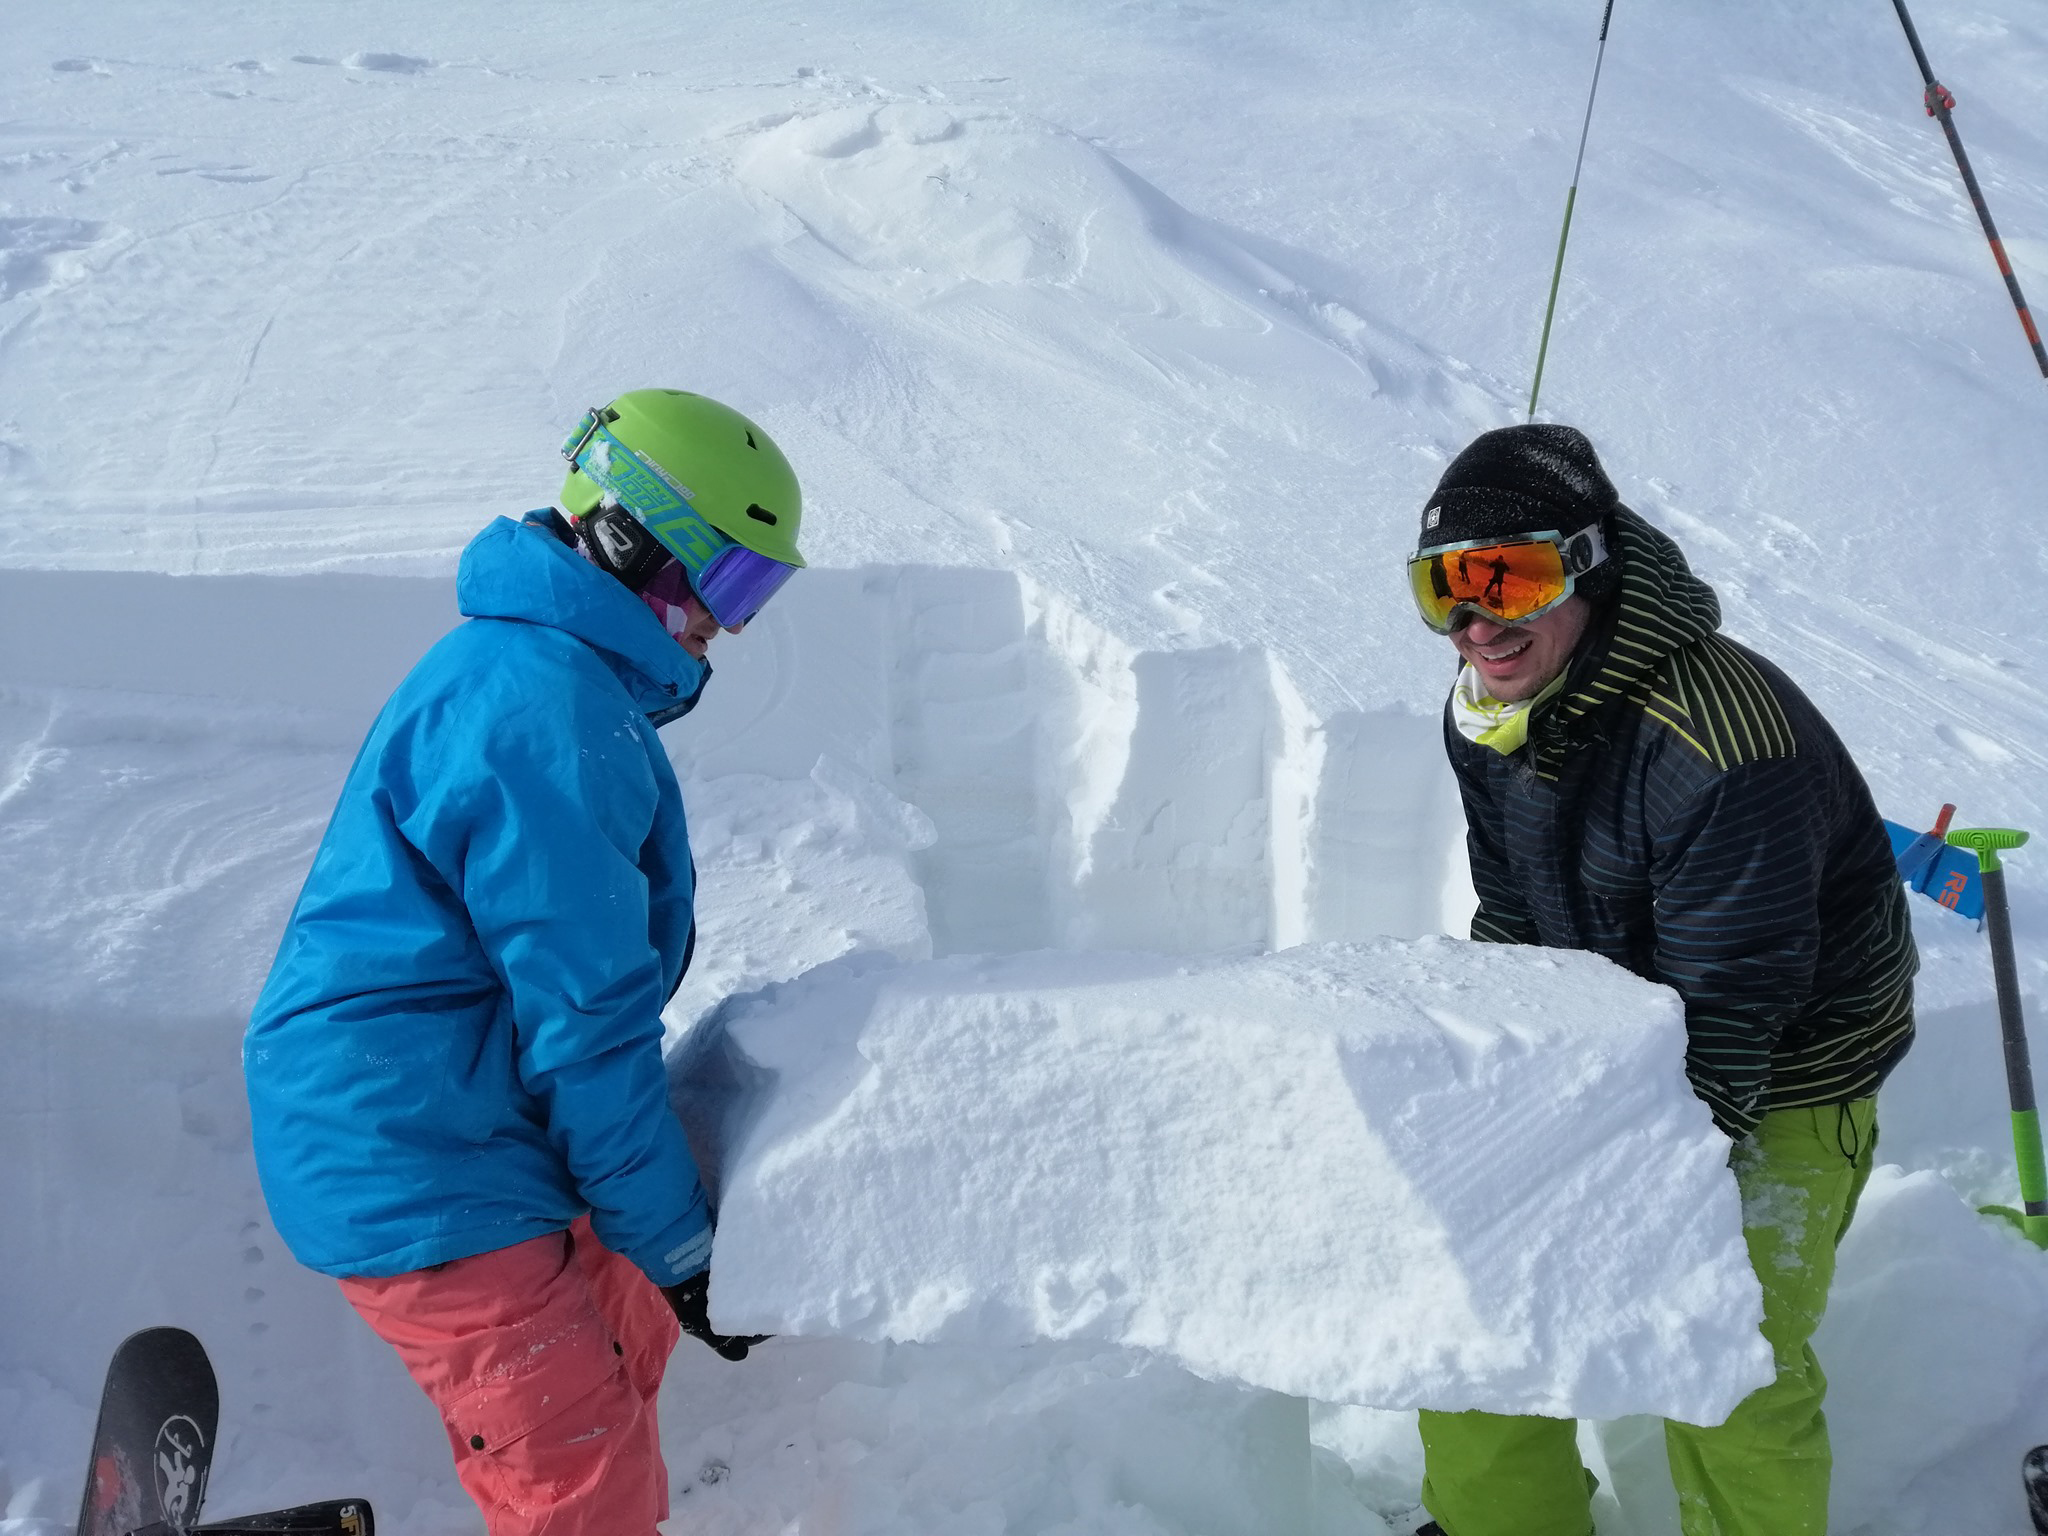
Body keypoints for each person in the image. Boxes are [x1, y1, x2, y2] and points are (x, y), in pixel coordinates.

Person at [244, 389, 807, 1536]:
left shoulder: (550, 681)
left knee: (625, 1329)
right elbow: (586, 1022)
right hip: (412, 1146)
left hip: (469, 1113)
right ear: (633, 539)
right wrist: (687, 1250)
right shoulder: (542, 705)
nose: (730, 626)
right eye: (730, 582)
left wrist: (667, 1265)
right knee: (579, 1476)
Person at [1404, 424, 1916, 1536]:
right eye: (1442, 585)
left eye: (1508, 577)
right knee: (1476, 1310)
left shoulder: (1723, 746)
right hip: (1604, 1032)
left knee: (1727, 1354)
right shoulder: (1486, 709)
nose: (1474, 623)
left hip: (1784, 1065)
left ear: (1587, 564)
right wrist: (1516, 1103)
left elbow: (1734, 1007)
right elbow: (1509, 913)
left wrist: (1638, 1193)